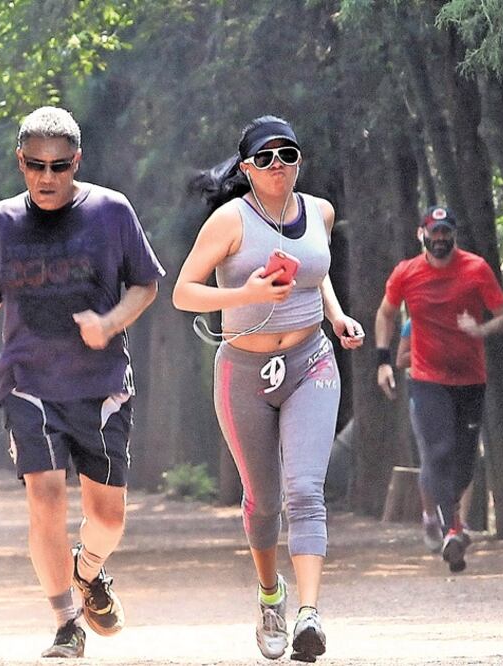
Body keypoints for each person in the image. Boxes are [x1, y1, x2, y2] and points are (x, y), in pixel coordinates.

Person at [0, 106, 164, 659]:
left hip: (100, 386)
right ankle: (65, 623)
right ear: (19, 162)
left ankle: (88, 571)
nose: (47, 179)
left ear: (78, 162)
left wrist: (110, 323)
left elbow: (145, 285)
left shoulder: (111, 211)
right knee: (45, 499)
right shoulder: (0, 221)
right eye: (35, 166)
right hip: (28, 381)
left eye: (59, 167)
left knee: (108, 516)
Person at [174, 116, 364, 662]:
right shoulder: (228, 221)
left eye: (286, 154)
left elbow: (318, 266)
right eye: (264, 158)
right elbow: (184, 293)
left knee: (305, 489)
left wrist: (337, 316)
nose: (276, 165)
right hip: (244, 370)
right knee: (262, 502)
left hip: (311, 361)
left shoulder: (320, 211)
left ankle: (310, 614)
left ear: (300, 160)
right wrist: (245, 293)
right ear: (245, 169)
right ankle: (270, 597)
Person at [374, 205, 503, 573]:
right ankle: (452, 529)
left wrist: (480, 330)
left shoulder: (476, 269)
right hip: (427, 379)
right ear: (422, 235)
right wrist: (383, 361)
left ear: (454, 235)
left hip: (470, 380)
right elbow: (386, 313)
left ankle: (448, 523)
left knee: (464, 462)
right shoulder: (407, 273)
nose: (440, 240)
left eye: (445, 234)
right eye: (434, 234)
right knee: (438, 452)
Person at [398, 319, 473, 553]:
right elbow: (400, 360)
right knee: (432, 460)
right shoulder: (414, 324)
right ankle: (430, 518)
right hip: (425, 398)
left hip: (461, 395)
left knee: (465, 458)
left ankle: (457, 524)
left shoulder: (463, 319)